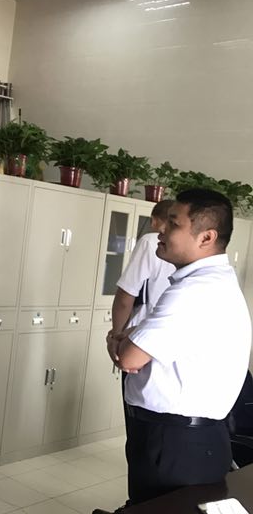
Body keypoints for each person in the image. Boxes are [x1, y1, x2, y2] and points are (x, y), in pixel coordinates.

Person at [94, 189, 252, 513]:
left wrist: (116, 338)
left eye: (173, 224)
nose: (161, 231)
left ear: (206, 237)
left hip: (177, 444)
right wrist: (132, 338)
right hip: (185, 439)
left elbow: (129, 357)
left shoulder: (195, 291)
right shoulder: (209, 282)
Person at [107, 200, 175, 358]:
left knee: (129, 368)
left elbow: (126, 296)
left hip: (140, 333)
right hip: (166, 337)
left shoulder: (150, 241)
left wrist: (116, 335)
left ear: (154, 221)